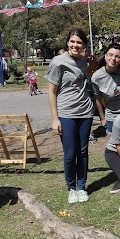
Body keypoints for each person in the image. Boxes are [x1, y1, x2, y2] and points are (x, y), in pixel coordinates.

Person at [45, 28, 95, 204]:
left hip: (86, 113)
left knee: (82, 152)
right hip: (66, 114)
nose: (75, 45)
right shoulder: (58, 62)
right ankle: (71, 188)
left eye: (79, 42)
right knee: (69, 153)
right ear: (67, 42)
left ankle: (81, 187)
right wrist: (54, 118)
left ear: (84, 45)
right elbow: (51, 92)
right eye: (72, 41)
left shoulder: (84, 61)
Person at [92, 43, 120, 136]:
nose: (113, 59)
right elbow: (98, 99)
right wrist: (102, 118)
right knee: (117, 148)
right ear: (105, 56)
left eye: (117, 56)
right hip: (112, 119)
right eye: (110, 55)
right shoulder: (96, 77)